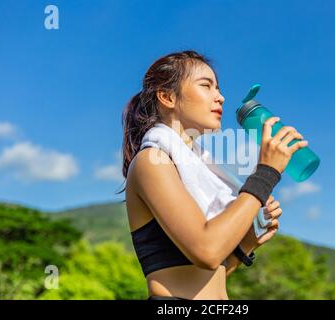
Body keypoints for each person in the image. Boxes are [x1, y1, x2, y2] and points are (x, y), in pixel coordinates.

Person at [121, 50, 308, 300]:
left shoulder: (201, 168)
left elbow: (210, 276)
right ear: (167, 96)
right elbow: (207, 250)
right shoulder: (151, 161)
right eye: (206, 86)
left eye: (218, 88)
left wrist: (247, 242)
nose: (220, 97)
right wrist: (265, 174)